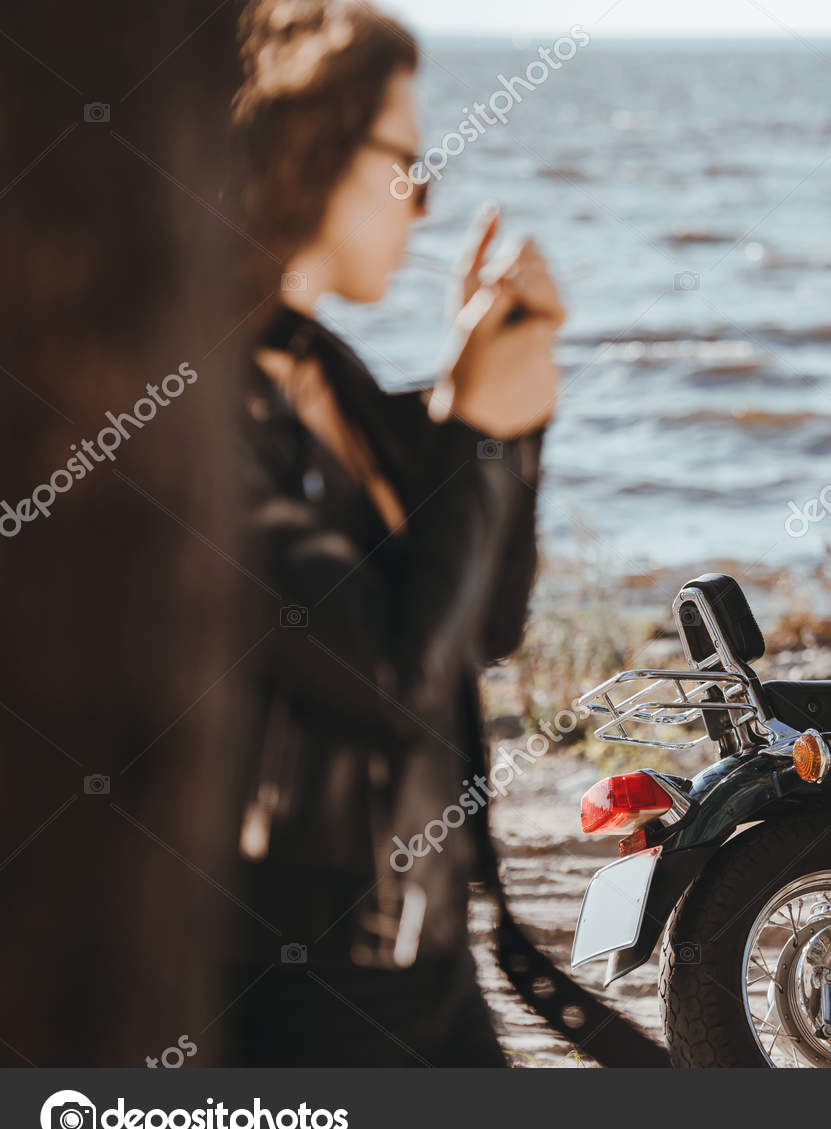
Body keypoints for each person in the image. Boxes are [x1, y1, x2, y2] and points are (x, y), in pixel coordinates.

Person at [227, 0, 561, 1065]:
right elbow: (381, 679)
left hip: (422, 952)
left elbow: (481, 628)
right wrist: (472, 430)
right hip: (299, 981)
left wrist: (511, 431)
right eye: (408, 165)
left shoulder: (322, 371)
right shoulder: (199, 410)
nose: (423, 204)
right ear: (304, 146)